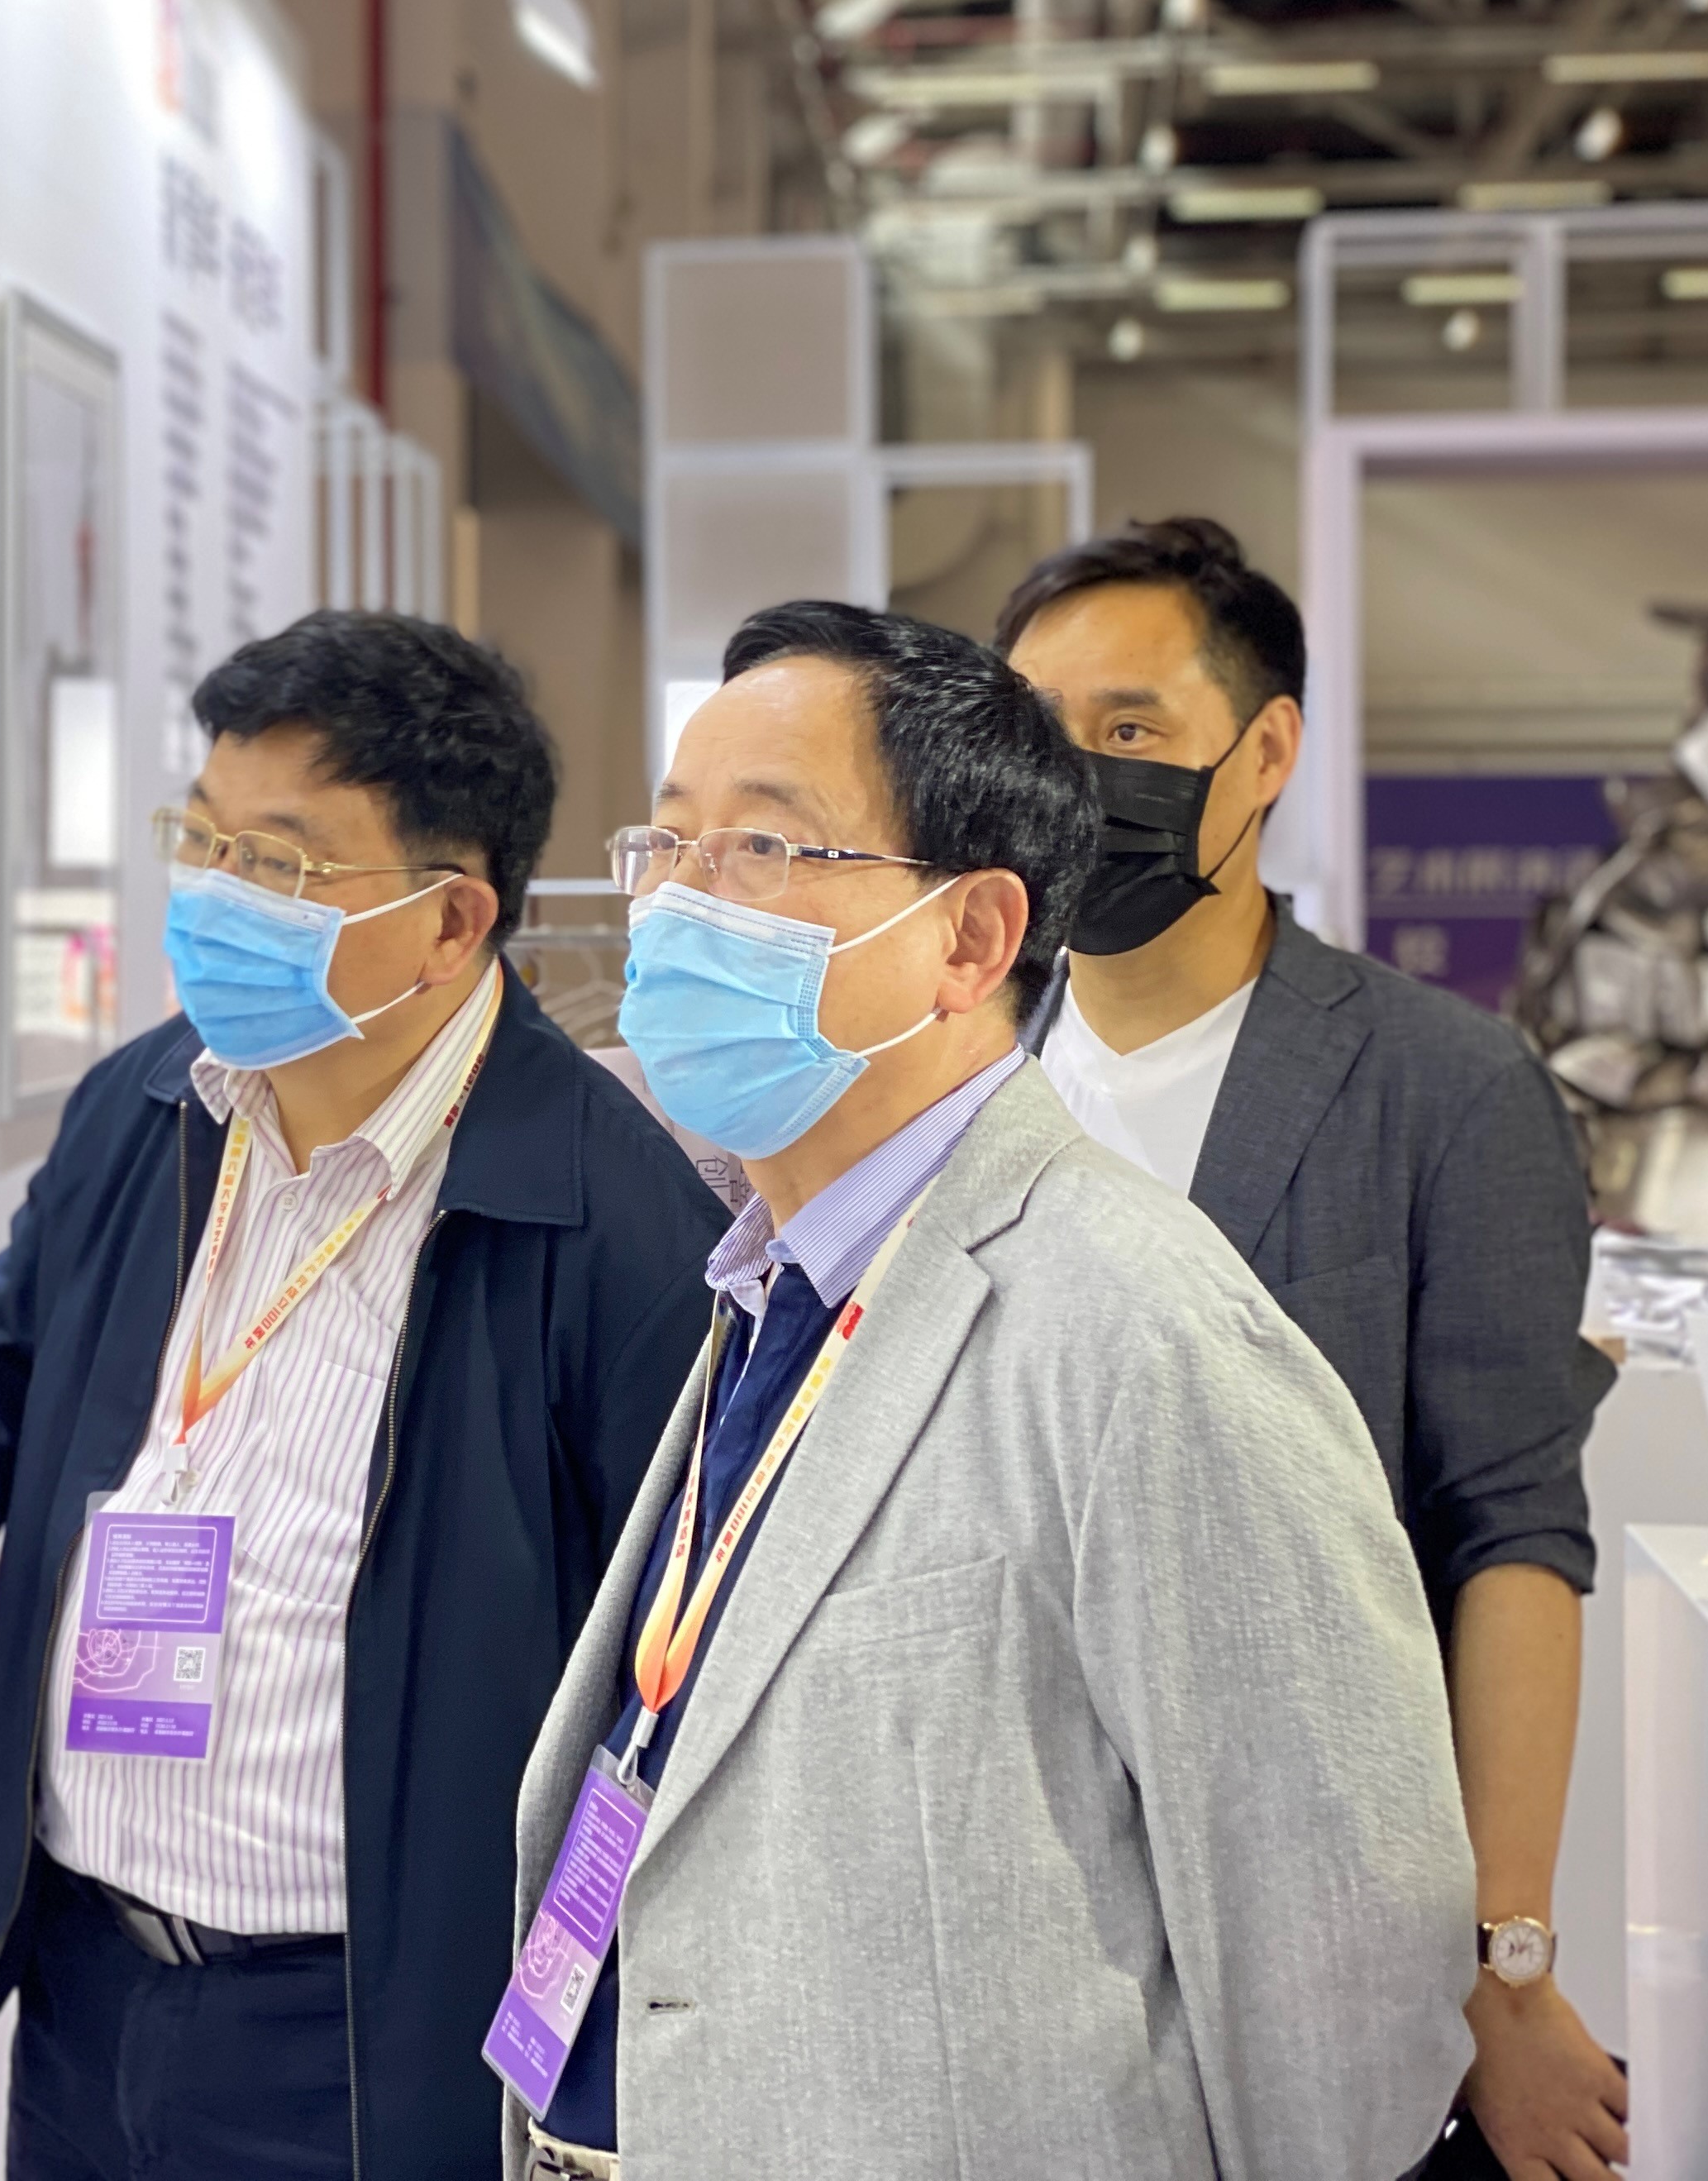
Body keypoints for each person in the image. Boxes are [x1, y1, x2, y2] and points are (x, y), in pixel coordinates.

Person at [499, 602, 1472, 2181]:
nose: (678, 905)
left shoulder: (1143, 1334)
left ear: (968, 939)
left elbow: (1344, 1991)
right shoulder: (771, 1280)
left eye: (765, 850)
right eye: (667, 847)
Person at [0, 609, 728, 2181]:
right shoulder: (149, 1105)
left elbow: (679, 1676)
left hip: (365, 2043)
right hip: (84, 1985)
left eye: (279, 863)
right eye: (203, 840)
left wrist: (593, 2054)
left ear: (451, 921)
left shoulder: (606, 1220)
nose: (216, 897)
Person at [995, 518, 1623, 2181]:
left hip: (1325, 1941)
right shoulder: (955, 1092)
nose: (1078, 778)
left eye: (1131, 727)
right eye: (1039, 730)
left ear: (1264, 751)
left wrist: (1505, 1966)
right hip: (1012, 1944)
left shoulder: (1445, 1088)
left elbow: (1511, 1534)